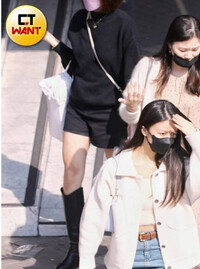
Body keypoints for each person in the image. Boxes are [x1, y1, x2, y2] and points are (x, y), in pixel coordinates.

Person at [118, 15, 200, 266]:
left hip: (189, 164)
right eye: (183, 49)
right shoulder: (148, 68)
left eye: (195, 49)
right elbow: (129, 116)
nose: (189, 55)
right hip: (152, 159)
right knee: (155, 225)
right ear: (169, 45)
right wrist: (132, 106)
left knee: (191, 230)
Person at [42, 0, 140, 267]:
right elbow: (76, 62)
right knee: (72, 169)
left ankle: (122, 247)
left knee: (117, 179)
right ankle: (76, 250)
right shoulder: (78, 20)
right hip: (79, 107)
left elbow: (132, 71)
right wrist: (51, 39)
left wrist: (132, 107)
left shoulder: (123, 24)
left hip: (112, 112)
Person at [79, 100, 200, 269]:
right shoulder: (116, 167)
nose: (168, 139)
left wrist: (194, 135)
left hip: (173, 255)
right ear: (144, 129)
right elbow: (93, 217)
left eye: (173, 134)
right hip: (128, 255)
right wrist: (86, 261)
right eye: (162, 133)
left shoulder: (179, 165)